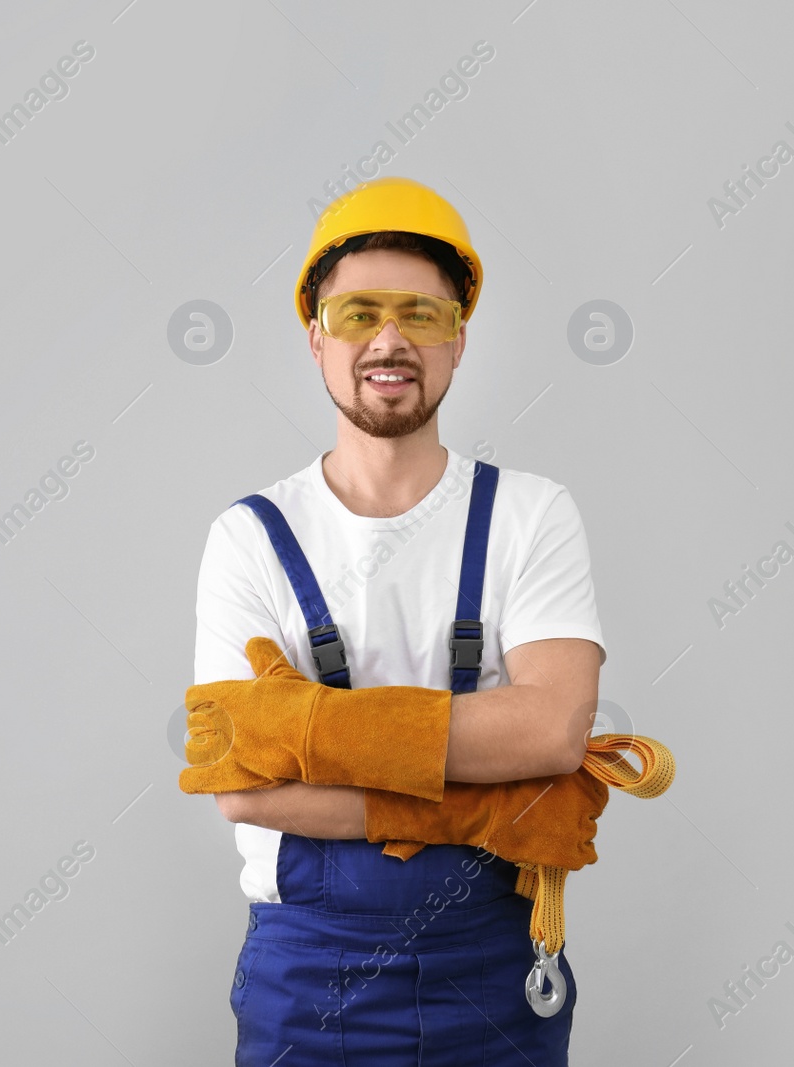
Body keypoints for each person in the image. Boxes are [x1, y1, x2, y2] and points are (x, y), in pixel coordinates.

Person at [182, 176, 619, 1065]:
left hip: (493, 972)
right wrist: (479, 801)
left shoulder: (530, 515)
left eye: (421, 314)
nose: (390, 339)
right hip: (309, 978)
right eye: (358, 313)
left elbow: (553, 726)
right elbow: (241, 785)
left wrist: (306, 727)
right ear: (316, 338)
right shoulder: (250, 537)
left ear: (458, 340)